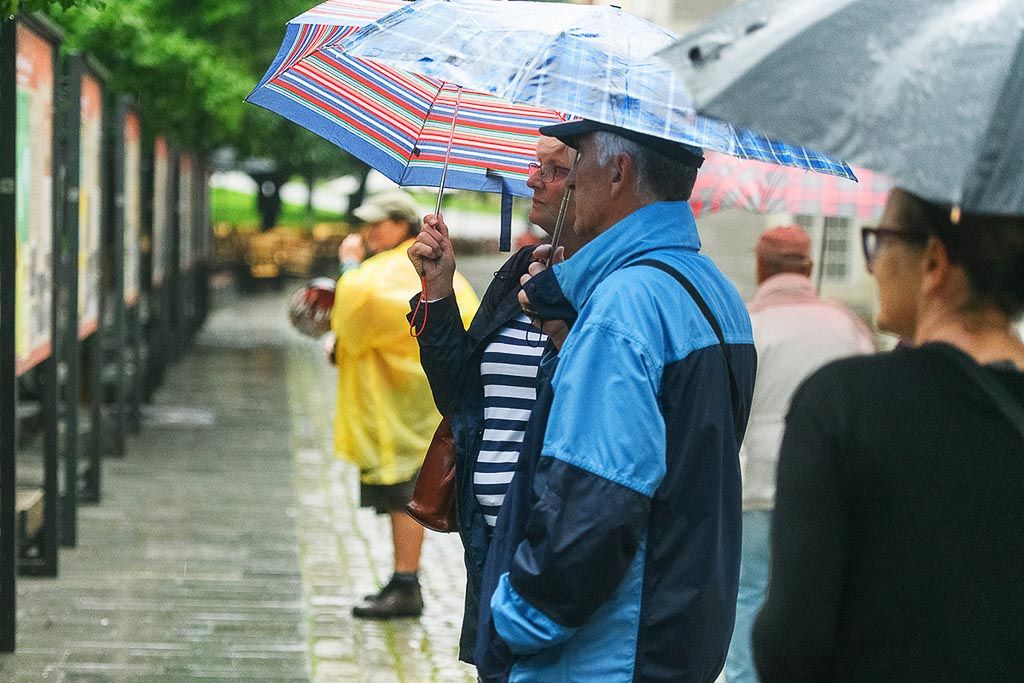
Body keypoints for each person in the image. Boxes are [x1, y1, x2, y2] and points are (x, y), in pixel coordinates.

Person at [489, 119, 757, 681]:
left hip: (605, 656)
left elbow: (592, 509)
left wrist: (514, 618)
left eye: (578, 158)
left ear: (618, 172)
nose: (569, 177)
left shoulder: (624, 306)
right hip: (676, 635)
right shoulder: (713, 288)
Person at [752, 188, 1024, 681]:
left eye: (879, 241)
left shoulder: (842, 404)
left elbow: (791, 642)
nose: (873, 266)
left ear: (934, 263)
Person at [406, 135, 587, 667]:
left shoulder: (609, 285)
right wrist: (438, 290)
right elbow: (459, 395)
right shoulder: (521, 269)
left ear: (597, 180)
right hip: (486, 536)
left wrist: (561, 324)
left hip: (547, 540)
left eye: (554, 170)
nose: (532, 179)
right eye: (535, 165)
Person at [725, 226, 875, 683]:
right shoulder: (847, 326)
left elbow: (730, 411)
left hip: (756, 482)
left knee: (750, 590)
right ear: (809, 268)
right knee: (825, 596)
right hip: (835, 487)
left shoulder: (746, 324)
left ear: (760, 267)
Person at [328, 189, 478, 619]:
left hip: (403, 407)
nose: (369, 232)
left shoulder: (386, 271)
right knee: (406, 493)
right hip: (422, 400)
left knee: (404, 494)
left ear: (401, 224)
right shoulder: (411, 267)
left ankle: (406, 582)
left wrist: (349, 266)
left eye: (379, 223)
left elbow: (356, 311)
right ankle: (403, 579)